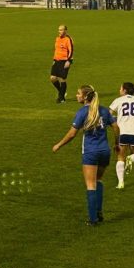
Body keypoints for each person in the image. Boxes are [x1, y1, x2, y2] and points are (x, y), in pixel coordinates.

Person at [52, 85, 117, 226]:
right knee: (98, 180)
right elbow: (116, 127)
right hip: (105, 151)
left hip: (91, 152)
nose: (76, 96)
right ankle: (99, 213)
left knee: (90, 184)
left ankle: (93, 219)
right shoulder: (104, 110)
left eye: (78, 94)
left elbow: (71, 134)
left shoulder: (82, 112)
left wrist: (58, 145)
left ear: (85, 97)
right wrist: (117, 143)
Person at [109, 82, 134, 190]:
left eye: (120, 88)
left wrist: (114, 120)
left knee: (120, 157)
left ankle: (120, 183)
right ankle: (130, 158)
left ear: (125, 90)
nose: (119, 90)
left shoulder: (118, 100)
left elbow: (109, 114)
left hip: (123, 131)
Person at [49, 24, 74, 104]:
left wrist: (68, 61)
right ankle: (61, 92)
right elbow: (56, 50)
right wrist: (54, 59)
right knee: (52, 78)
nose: (59, 31)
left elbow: (71, 50)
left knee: (62, 79)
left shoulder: (68, 39)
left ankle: (62, 98)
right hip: (56, 61)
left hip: (64, 61)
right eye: (59, 30)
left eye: (61, 30)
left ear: (65, 31)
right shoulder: (57, 39)